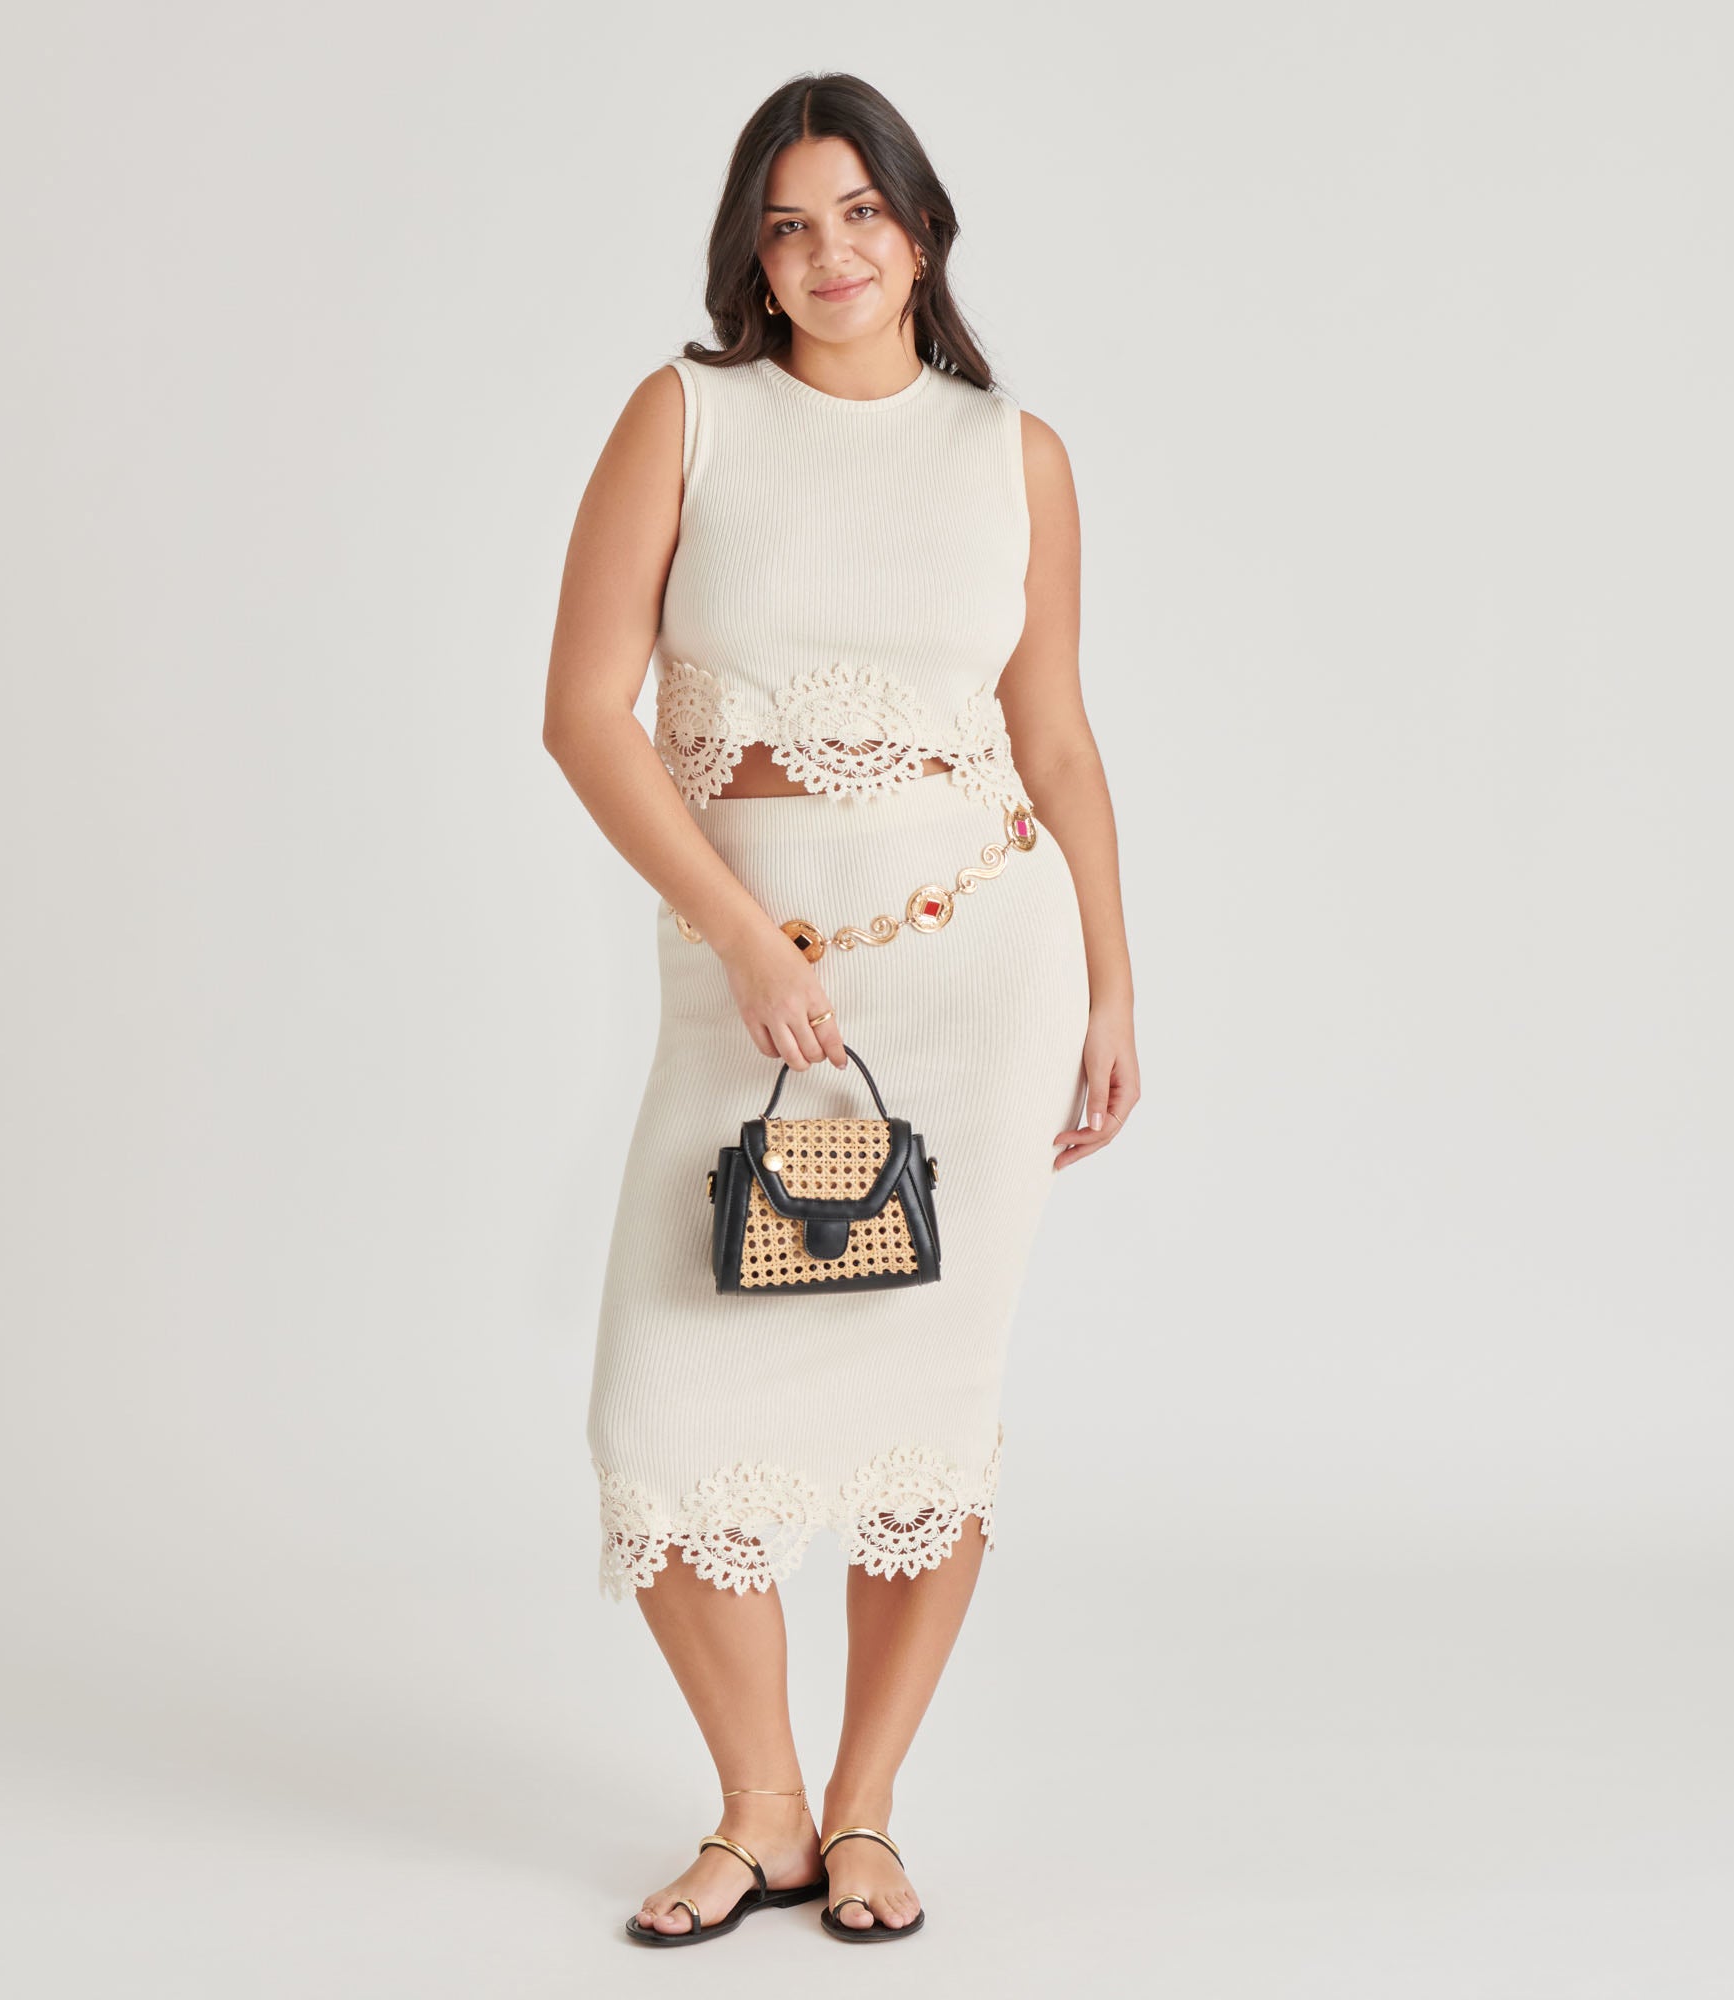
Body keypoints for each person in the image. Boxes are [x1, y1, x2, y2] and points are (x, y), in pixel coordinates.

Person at [541, 71, 1139, 1948]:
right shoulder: (687, 417)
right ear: (752, 252)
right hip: (751, 965)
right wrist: (742, 937)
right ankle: (763, 1811)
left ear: (923, 228)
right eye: (788, 224)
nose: (829, 253)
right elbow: (584, 717)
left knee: (925, 1407)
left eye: (861, 213)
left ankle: (864, 1810)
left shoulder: (1015, 453)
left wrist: (1116, 980)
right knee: (662, 1406)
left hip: (981, 969)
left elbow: (1055, 738)